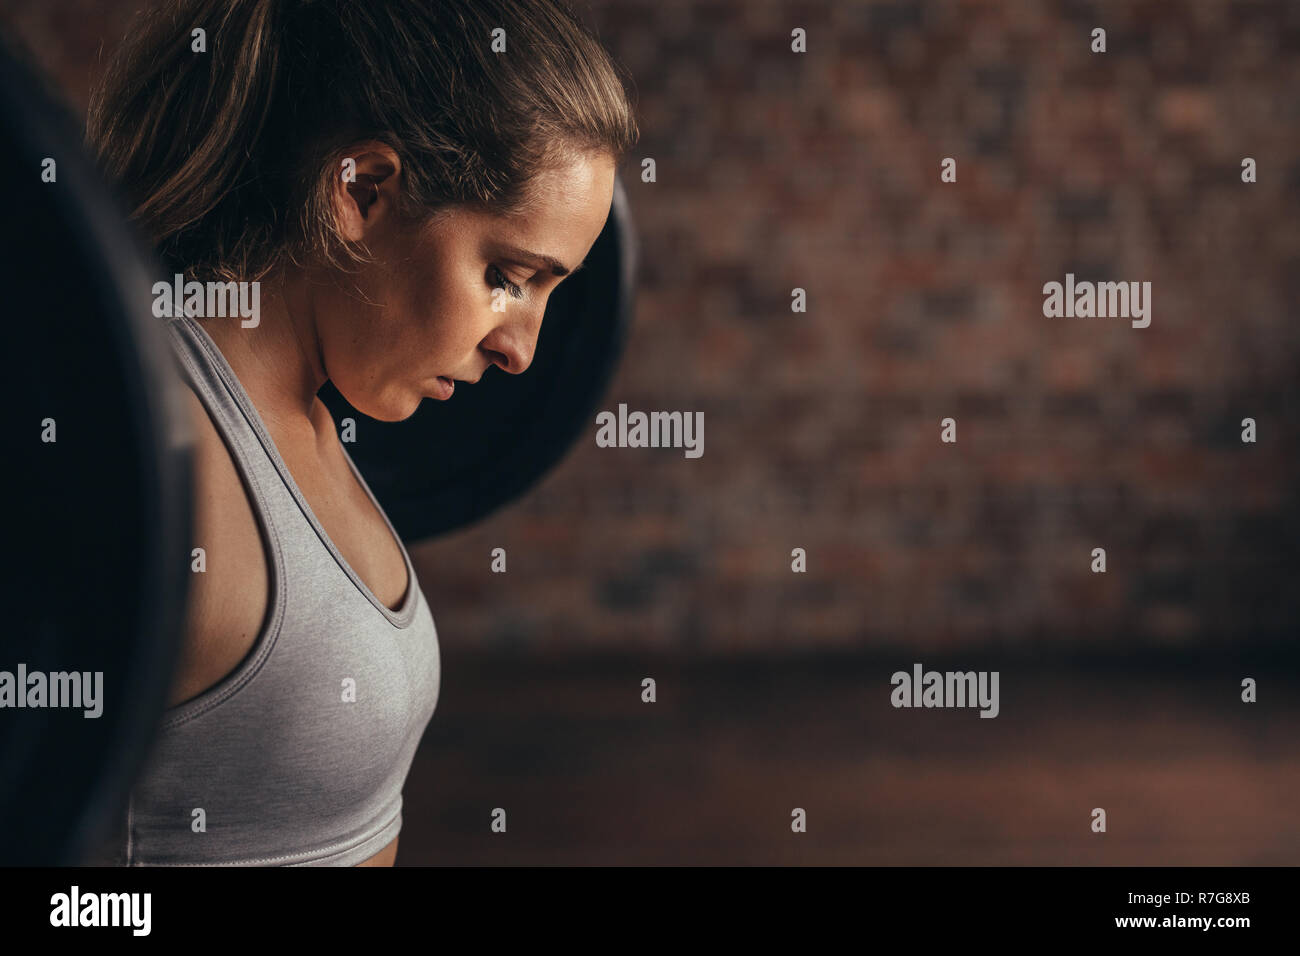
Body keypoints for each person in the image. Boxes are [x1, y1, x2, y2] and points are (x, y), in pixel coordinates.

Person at [80, 0, 637, 866]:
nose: (522, 350)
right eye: (506, 276)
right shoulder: (161, 464)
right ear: (362, 190)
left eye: (547, 293)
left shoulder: (307, 412)